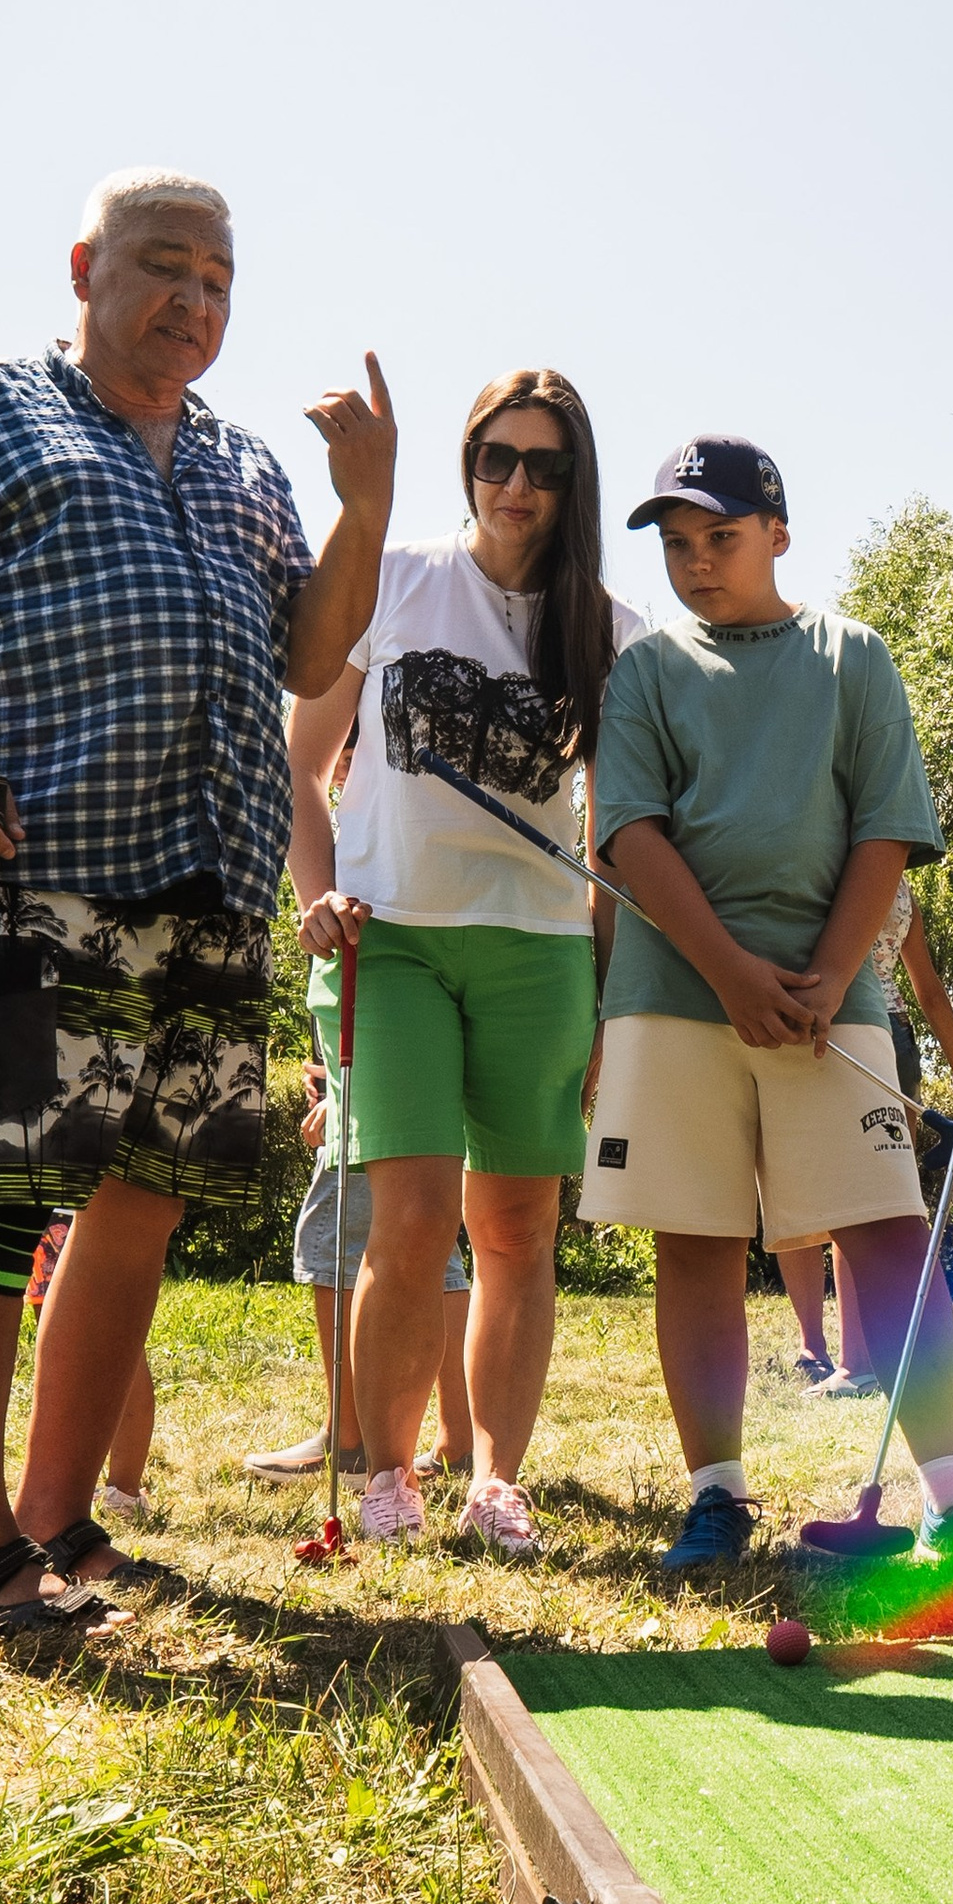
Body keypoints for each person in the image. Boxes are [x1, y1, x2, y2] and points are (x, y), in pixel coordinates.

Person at [0, 167, 395, 1643]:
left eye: (217, 280)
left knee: (140, 1200)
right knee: (1, 1196)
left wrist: (367, 509)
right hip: (31, 860)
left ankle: (57, 1519)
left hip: (209, 882)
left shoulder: (250, 464)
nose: (192, 301)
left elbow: (310, 650)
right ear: (84, 265)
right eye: (163, 266)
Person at [584, 434, 953, 1579]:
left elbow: (886, 829)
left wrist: (829, 977)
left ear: (776, 533)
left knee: (885, 1234)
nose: (696, 563)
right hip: (673, 1000)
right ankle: (716, 1496)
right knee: (692, 1238)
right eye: (677, 545)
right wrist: (731, 974)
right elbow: (630, 837)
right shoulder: (642, 671)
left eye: (719, 538)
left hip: (831, 1006)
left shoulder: (851, 656)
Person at [281, 368, 642, 1558]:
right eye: (496, 457)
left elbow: (622, 833)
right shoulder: (396, 581)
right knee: (410, 1217)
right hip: (392, 940)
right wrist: (317, 891)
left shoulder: (611, 632)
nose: (516, 484)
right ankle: (389, 1474)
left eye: (544, 464)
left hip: (541, 951)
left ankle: (496, 1479)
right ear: (468, 462)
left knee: (517, 1228)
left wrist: (612, 987)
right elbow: (301, 762)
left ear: (573, 480)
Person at [776, 878, 953, 1394]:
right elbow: (929, 992)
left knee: (832, 1193)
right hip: (895, 1037)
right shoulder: (897, 885)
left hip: (835, 1029)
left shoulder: (821, 861)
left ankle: (849, 1360)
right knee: (883, 1196)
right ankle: (861, 1352)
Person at [240, 1062, 473, 1486]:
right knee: (431, 1247)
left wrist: (351, 1091)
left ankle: (349, 1441)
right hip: (400, 1080)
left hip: (370, 1081)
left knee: (338, 1237)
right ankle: (459, 1441)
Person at [24, 1213, 153, 1522]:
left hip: (68, 1201)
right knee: (120, 1344)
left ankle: (115, 1491)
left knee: (109, 1343)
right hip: (82, 1201)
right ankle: (118, 1492)